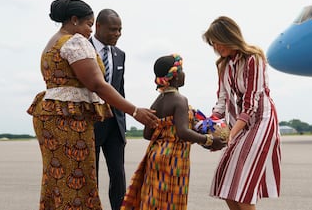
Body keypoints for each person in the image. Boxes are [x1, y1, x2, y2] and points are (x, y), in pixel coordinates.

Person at [27, 0, 157, 210]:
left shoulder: (52, 42)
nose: (89, 31)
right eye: (89, 24)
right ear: (75, 20)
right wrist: (134, 111)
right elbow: (97, 84)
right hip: (69, 119)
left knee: (58, 179)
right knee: (77, 179)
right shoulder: (75, 41)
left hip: (51, 116)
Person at [120, 54, 226, 210]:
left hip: (155, 156)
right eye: (181, 70)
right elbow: (182, 132)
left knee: (154, 201)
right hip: (174, 159)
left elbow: (147, 135)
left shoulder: (157, 101)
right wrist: (209, 140)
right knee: (172, 202)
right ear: (174, 77)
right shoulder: (179, 100)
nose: (184, 74)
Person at [202, 16, 281, 210]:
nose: (216, 47)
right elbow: (222, 102)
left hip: (260, 121)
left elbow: (250, 104)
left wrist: (231, 134)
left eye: (217, 41)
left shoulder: (254, 58)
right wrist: (206, 124)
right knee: (225, 186)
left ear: (229, 36)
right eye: (213, 44)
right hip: (240, 125)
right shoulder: (224, 66)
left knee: (242, 189)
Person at [90, 9, 127, 210]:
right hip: (91, 124)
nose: (118, 33)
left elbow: (120, 91)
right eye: (113, 29)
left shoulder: (120, 54)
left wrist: (123, 128)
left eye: (120, 29)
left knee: (118, 176)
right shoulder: (82, 48)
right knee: (90, 176)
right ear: (98, 26)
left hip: (114, 125)